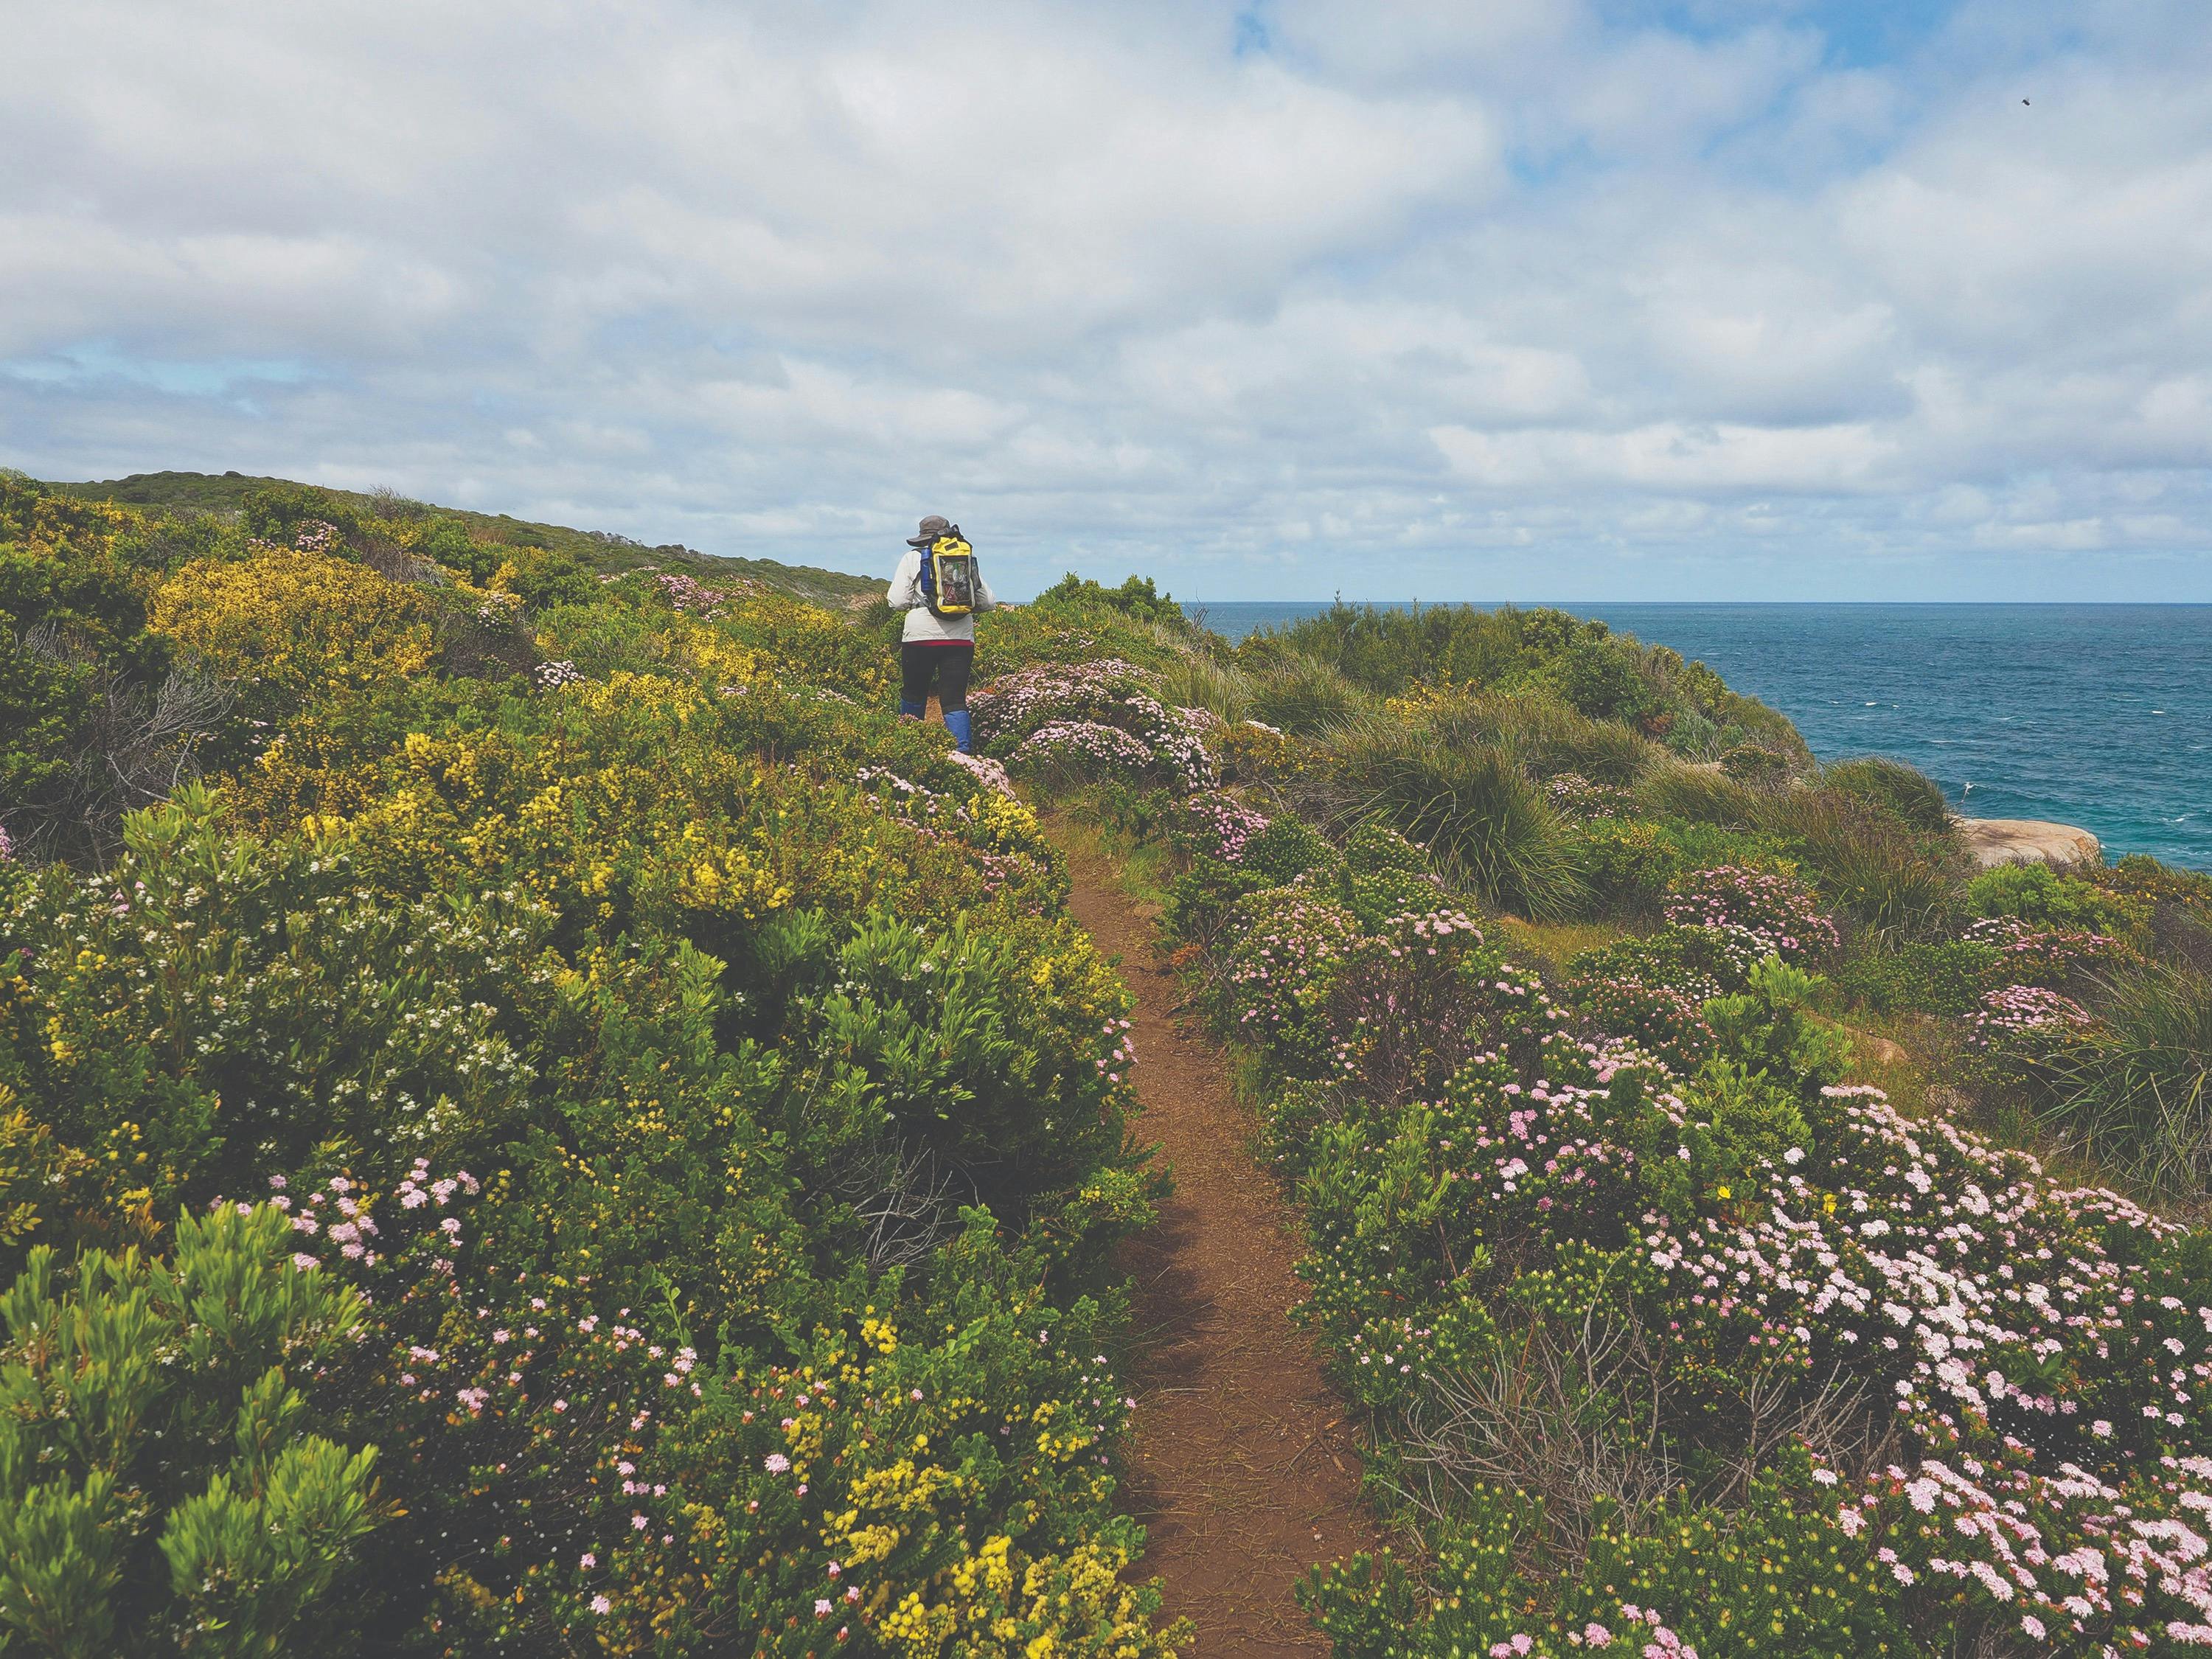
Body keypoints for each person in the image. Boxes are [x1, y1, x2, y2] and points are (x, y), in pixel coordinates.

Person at [887, 513, 998, 753]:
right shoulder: (964, 558)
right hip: (960, 639)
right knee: (955, 699)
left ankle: (908, 748)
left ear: (921, 537)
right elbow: (988, 602)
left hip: (919, 638)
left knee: (914, 694)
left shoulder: (911, 558)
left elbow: (897, 602)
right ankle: (963, 754)